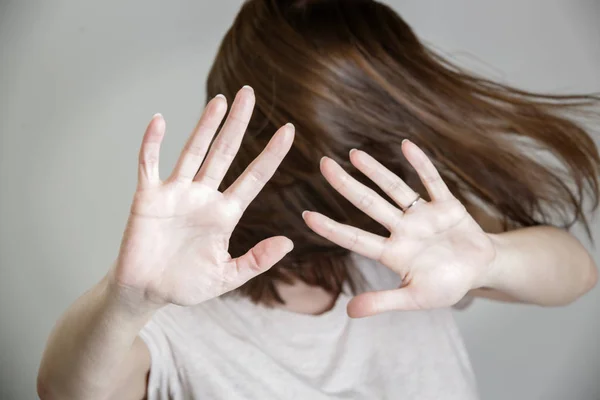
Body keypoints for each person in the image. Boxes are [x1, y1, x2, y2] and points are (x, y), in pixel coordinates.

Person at [37, 1, 599, 399]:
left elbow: (577, 273)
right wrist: (128, 298)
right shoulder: (174, 317)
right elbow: (65, 391)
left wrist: (492, 260)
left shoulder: (405, 252)